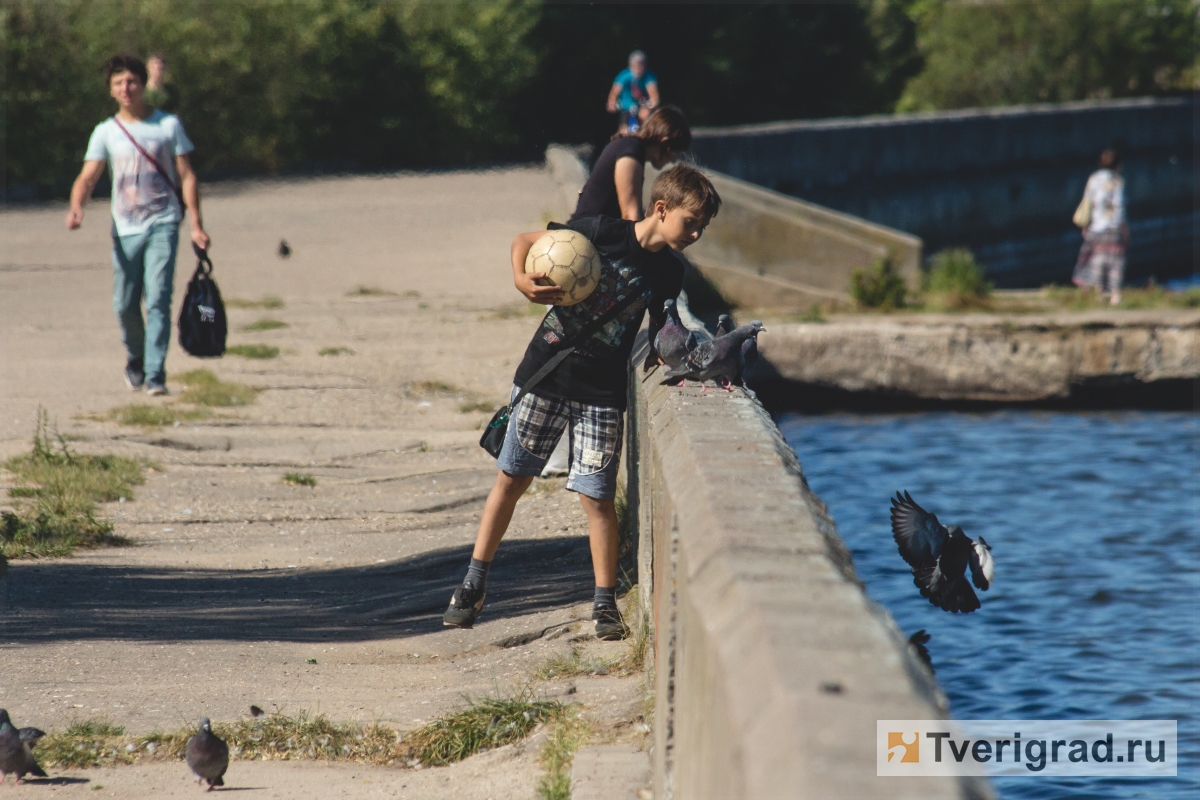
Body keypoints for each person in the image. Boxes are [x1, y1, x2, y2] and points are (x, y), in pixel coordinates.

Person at [443, 165, 721, 640]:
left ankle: (604, 604)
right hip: (546, 373)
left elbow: (661, 336)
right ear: (661, 208)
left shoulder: (669, 274)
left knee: (597, 500)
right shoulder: (599, 231)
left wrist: (689, 361)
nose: (695, 234)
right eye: (690, 223)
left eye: (701, 228)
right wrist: (521, 281)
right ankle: (473, 583)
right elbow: (522, 241)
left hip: (601, 393)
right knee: (511, 481)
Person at [66, 54, 210, 395]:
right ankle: (136, 357)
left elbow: (187, 175)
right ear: (111, 90)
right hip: (125, 227)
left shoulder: (167, 125)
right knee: (125, 303)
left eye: (131, 81)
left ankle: (156, 371)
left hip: (164, 221)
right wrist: (76, 207)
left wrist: (196, 225)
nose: (126, 88)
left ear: (144, 85)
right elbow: (88, 177)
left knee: (159, 297)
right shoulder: (106, 132)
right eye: (118, 83)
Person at [571, 106, 691, 223]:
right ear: (665, 142)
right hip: (586, 236)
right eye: (676, 151)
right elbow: (630, 215)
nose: (674, 160)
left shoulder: (631, 147)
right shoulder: (631, 150)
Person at [1072, 149, 1128, 305]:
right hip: (1114, 227)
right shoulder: (1118, 181)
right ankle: (1115, 296)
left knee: (1097, 262)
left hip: (1096, 227)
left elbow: (1088, 202)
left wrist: (1086, 224)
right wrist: (1125, 230)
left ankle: (1098, 295)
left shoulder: (1094, 179)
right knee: (1115, 263)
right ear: (1117, 165)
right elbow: (1120, 207)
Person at [606, 50, 659, 134]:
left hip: (642, 105)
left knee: (645, 115)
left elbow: (653, 94)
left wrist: (651, 104)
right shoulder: (624, 75)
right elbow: (614, 91)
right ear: (631, 65)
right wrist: (611, 103)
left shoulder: (649, 76)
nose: (639, 67)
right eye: (636, 64)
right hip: (626, 107)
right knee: (623, 130)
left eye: (641, 64)